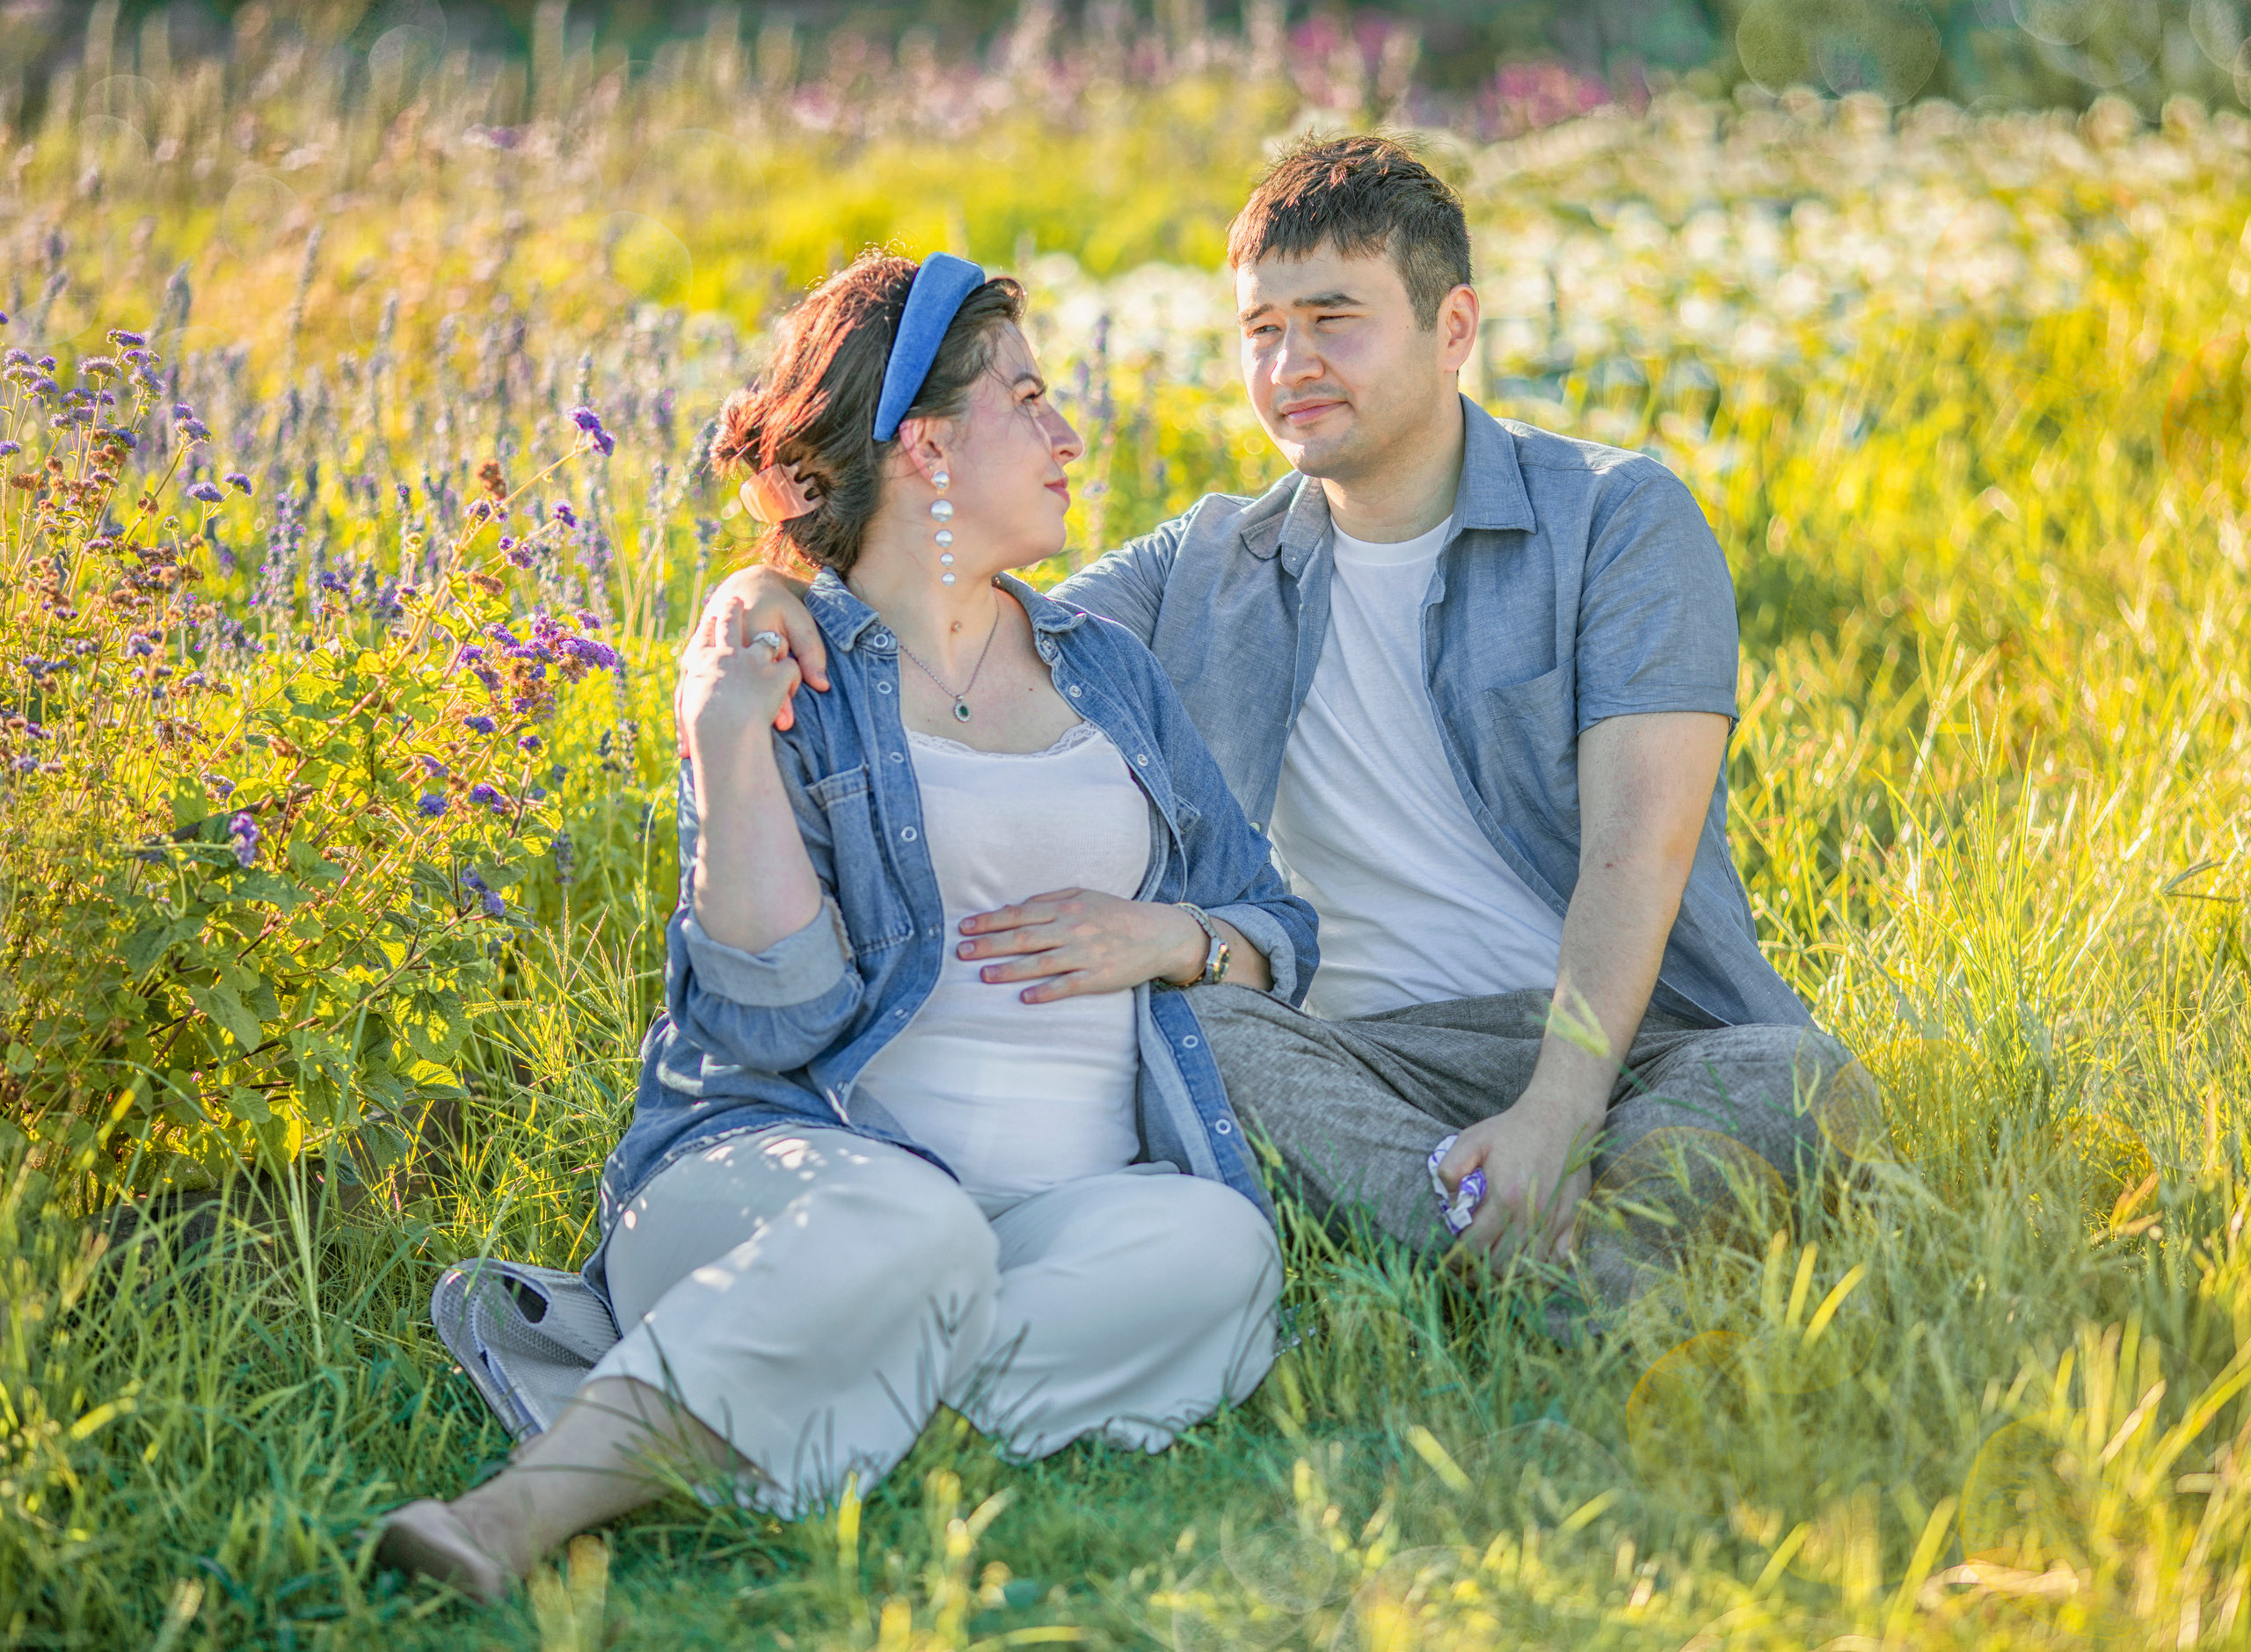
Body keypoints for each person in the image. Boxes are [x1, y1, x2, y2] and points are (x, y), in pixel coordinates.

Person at [710, 136, 1885, 1309]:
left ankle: (1516, 1264)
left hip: (1634, 1045)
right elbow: (951, 618)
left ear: (1455, 328)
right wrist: (766, 586)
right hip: (1359, 1067)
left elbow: (1642, 853)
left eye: (1335, 319)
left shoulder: (1617, 519)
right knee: (1202, 1032)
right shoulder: (1205, 562)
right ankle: (1572, 1280)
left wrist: (1560, 1105)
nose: (1291, 364)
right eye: (1262, 330)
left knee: (1792, 1078)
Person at [378, 251, 1318, 1600]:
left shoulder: (1105, 666)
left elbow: (1272, 920)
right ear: (928, 446)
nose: (1068, 435)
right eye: (1031, 401)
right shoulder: (786, 664)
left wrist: (1167, 936)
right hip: (788, 1178)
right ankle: (523, 1509)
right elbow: (771, 1018)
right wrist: (724, 743)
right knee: (909, 1231)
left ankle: (803, 1412)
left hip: (1055, 1217)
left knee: (1218, 1247)